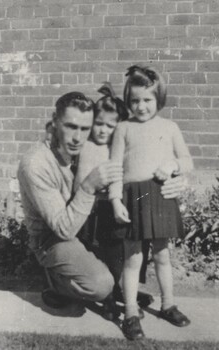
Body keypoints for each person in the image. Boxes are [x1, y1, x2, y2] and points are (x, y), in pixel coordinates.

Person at [109, 65, 194, 340]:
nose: (141, 106)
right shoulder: (123, 128)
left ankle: (168, 304)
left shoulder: (169, 128)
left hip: (158, 196)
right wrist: (114, 199)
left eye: (147, 100)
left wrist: (172, 164)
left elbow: (187, 162)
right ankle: (131, 312)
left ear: (159, 99)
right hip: (132, 198)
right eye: (134, 100)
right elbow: (114, 168)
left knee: (162, 255)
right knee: (133, 258)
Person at [18, 92, 121, 307]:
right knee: (101, 284)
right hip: (52, 239)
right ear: (55, 122)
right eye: (71, 127)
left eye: (84, 129)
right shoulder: (36, 163)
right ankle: (55, 281)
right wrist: (89, 185)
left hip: (84, 227)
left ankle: (116, 285)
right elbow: (63, 229)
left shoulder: (85, 148)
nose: (77, 138)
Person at [73, 82, 151, 320]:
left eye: (110, 126)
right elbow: (78, 180)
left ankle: (118, 289)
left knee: (116, 254)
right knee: (96, 255)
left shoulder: (116, 148)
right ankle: (106, 298)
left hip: (110, 208)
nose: (103, 131)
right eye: (99, 124)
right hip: (89, 210)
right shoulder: (86, 146)